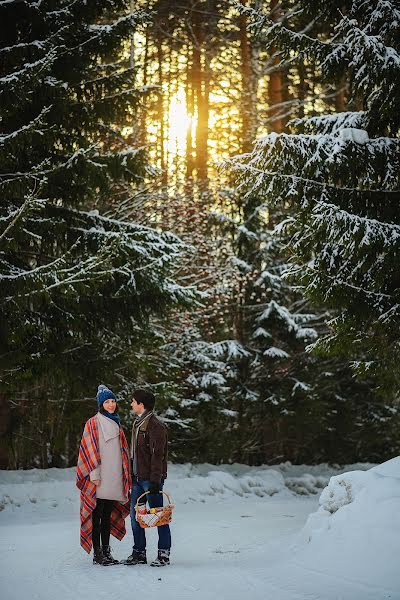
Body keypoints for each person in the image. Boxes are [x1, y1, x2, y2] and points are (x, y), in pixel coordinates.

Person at [76, 384, 131, 566]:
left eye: (113, 401)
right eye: (107, 401)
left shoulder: (116, 422)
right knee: (96, 514)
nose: (111, 404)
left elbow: (121, 451)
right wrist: (94, 474)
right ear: (101, 404)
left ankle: (107, 552)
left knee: (107, 514)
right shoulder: (93, 422)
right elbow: (89, 450)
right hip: (99, 478)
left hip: (114, 477)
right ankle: (97, 554)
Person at [122, 388, 171, 567]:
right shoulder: (137, 423)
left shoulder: (155, 426)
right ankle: (139, 553)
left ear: (141, 404)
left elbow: (158, 456)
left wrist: (155, 481)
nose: (131, 404)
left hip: (150, 481)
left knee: (159, 516)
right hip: (136, 479)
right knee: (136, 517)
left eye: (133, 401)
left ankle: (163, 554)